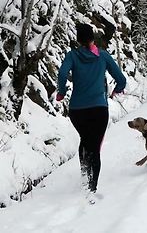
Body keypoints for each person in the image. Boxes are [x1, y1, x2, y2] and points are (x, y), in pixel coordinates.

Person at [56, 23, 126, 194]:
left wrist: (62, 92)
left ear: (78, 40)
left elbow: (62, 74)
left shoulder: (72, 55)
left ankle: (84, 175)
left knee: (85, 139)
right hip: (99, 109)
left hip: (77, 110)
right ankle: (91, 187)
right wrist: (115, 91)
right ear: (93, 37)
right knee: (94, 146)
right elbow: (121, 79)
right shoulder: (103, 56)